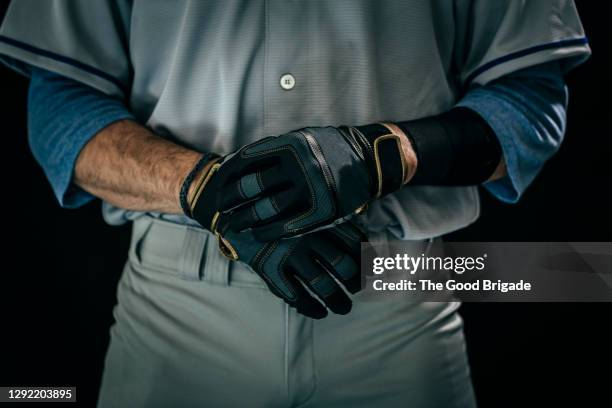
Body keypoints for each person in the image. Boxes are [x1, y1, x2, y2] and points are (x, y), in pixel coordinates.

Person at [0, 1, 590, 406]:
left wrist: (386, 153)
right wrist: (208, 190)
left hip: (399, 291)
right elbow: (61, 107)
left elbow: (530, 101)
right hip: (178, 311)